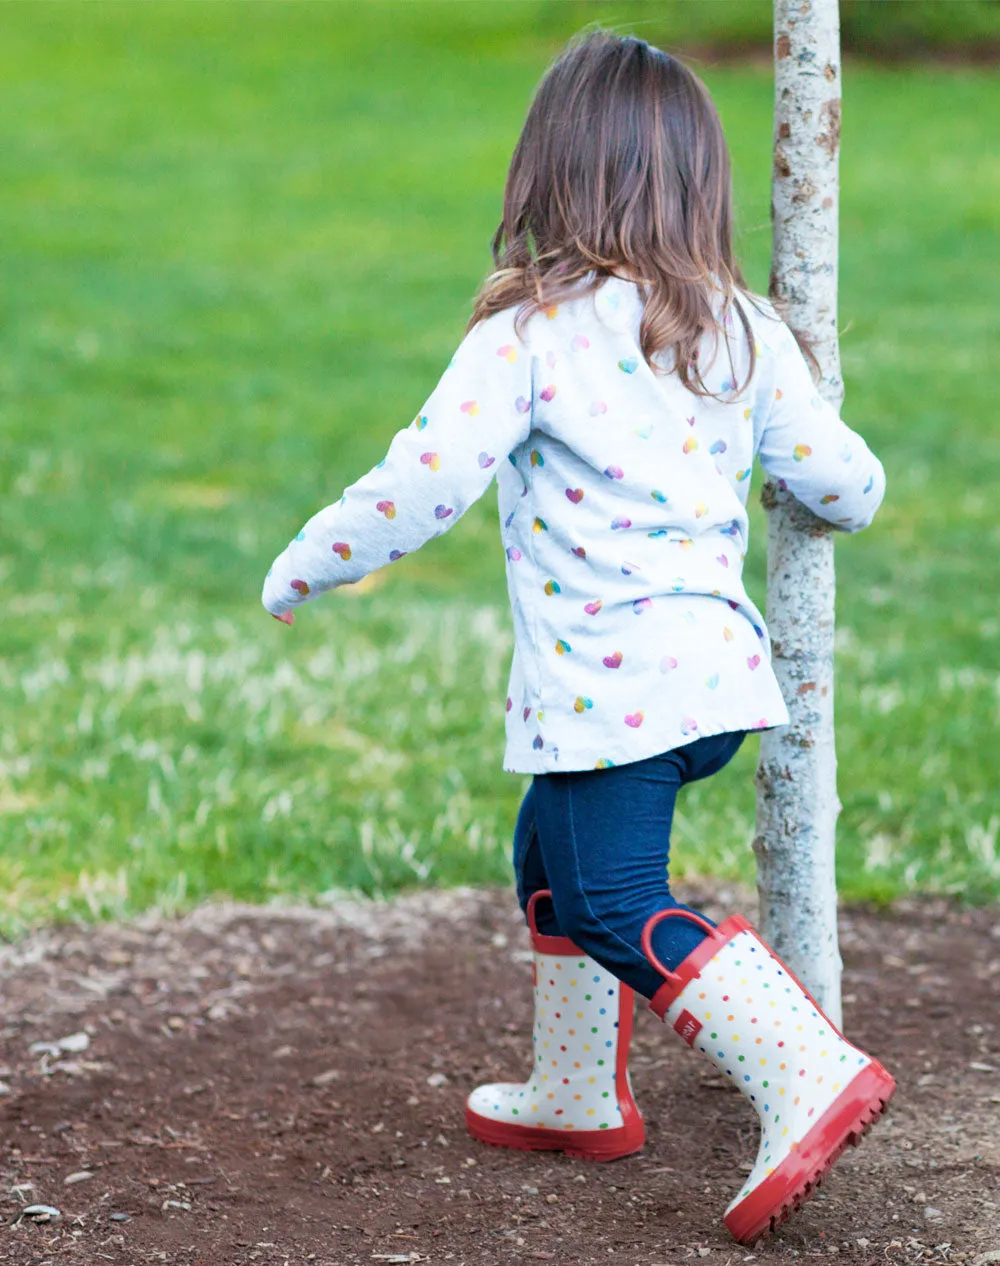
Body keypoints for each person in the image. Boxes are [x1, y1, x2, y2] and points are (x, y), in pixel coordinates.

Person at [261, 30, 893, 1245]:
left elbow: (424, 480)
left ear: (546, 176)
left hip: (615, 704)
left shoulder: (529, 334)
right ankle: (571, 1089)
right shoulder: (744, 331)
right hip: (709, 683)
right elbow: (847, 486)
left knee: (609, 898)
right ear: (699, 184)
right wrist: (822, 467)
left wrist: (309, 558)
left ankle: (801, 1069)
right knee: (548, 864)